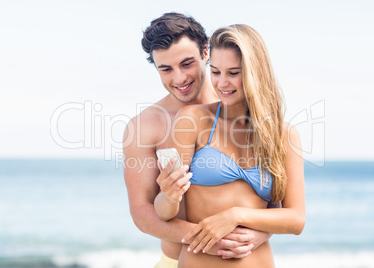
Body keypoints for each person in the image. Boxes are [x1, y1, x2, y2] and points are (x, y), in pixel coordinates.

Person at [123, 13, 274, 268]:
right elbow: (141, 212)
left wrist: (260, 233)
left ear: (206, 52)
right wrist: (207, 239)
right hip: (179, 261)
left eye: (186, 63)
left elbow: (274, 197)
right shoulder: (143, 126)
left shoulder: (242, 105)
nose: (179, 78)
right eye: (166, 69)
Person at [154, 24, 305, 267]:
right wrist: (168, 196)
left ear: (255, 73)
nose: (222, 83)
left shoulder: (283, 134)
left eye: (233, 73)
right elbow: (165, 213)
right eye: (215, 72)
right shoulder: (192, 120)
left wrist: (235, 216)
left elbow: (296, 219)